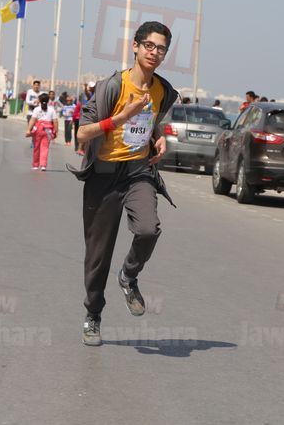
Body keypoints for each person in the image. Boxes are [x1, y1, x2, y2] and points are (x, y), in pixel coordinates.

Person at [69, 21, 179, 346]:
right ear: (135, 46)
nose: (154, 53)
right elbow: (82, 133)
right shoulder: (112, 86)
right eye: (149, 46)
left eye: (161, 49)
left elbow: (151, 121)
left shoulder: (162, 90)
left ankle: (129, 275)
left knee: (148, 229)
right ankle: (93, 315)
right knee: (98, 255)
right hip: (104, 175)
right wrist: (120, 118)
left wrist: (158, 137)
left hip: (137, 172)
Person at [25, 93, 58, 170]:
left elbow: (33, 120)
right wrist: (56, 131)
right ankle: (43, 165)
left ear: (39, 100)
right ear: (48, 100)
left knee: (36, 147)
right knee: (45, 148)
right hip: (48, 131)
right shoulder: (52, 110)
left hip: (38, 129)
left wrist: (28, 129)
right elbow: (55, 121)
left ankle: (35, 165)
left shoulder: (36, 109)